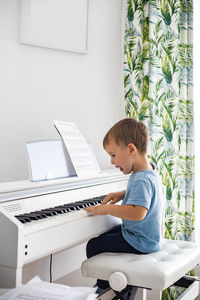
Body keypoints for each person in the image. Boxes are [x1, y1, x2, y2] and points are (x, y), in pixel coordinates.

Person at [84, 118, 163, 297]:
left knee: (93, 246)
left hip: (139, 242)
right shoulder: (149, 171)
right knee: (108, 235)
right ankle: (119, 287)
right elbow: (144, 194)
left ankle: (109, 290)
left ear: (131, 149)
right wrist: (122, 194)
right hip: (146, 238)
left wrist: (106, 210)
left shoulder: (141, 178)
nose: (112, 161)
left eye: (113, 155)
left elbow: (137, 213)